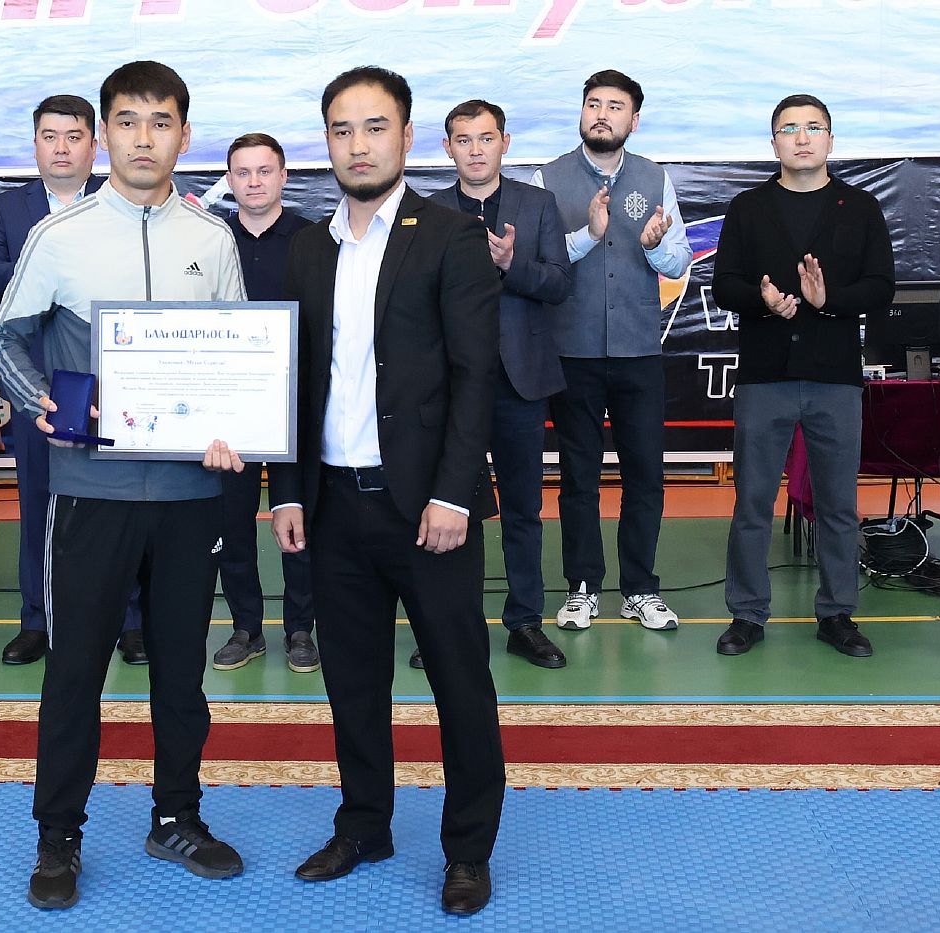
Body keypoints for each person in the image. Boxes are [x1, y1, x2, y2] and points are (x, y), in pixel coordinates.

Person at [0, 61, 248, 911]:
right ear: (104, 134)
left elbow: (238, 357)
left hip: (187, 499)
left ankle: (177, 817)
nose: (144, 137)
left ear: (184, 134)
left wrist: (235, 428)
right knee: (74, 673)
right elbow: (4, 339)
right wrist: (43, 406)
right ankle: (58, 834)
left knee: (181, 673)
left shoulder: (212, 237)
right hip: (88, 493)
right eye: (128, 121)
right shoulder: (60, 235)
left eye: (161, 121)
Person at [271, 66, 504, 916]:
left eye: (375, 127)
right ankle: (365, 824)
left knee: (459, 684)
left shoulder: (450, 237)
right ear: (326, 142)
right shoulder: (308, 247)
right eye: (342, 129)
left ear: (406, 137)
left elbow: (476, 375)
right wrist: (287, 490)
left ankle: (468, 848)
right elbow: (296, 379)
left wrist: (454, 494)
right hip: (333, 506)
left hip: (427, 509)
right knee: (353, 683)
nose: (358, 144)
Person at [713, 94, 894, 657]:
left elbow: (881, 287)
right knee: (752, 502)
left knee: (838, 504)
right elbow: (724, 284)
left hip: (833, 378)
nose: (802, 137)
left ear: (830, 140)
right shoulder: (748, 207)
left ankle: (837, 613)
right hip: (764, 377)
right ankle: (747, 613)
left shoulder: (859, 208)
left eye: (814, 127)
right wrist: (764, 300)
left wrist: (828, 300)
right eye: (789, 128)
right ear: (774, 143)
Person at [0, 95, 146, 666]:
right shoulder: (9, 207)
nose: (62, 148)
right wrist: (49, 265)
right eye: (50, 137)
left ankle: (130, 620)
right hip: (34, 382)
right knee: (40, 503)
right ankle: (37, 620)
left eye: (74, 137)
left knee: (121, 507)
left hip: (111, 382)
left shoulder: (122, 202)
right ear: (35, 146)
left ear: (95, 146)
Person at [532, 69, 692, 633]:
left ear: (634, 120)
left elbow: (680, 261)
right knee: (578, 476)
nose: (602, 114)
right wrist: (590, 236)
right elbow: (540, 263)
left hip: (638, 351)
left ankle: (640, 588)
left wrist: (653, 248)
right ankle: (582, 586)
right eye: (594, 103)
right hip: (572, 351)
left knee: (645, 474)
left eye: (615, 106)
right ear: (581, 112)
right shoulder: (547, 178)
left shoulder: (655, 177)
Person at [421, 99, 571, 670]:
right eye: (463, 140)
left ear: (505, 143)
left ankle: (525, 622)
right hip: (449, 386)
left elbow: (559, 284)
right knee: (445, 504)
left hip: (519, 382)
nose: (476, 150)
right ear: (447, 148)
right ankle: (445, 627)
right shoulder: (429, 212)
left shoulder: (537, 205)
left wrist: (510, 264)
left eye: (486, 138)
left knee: (523, 510)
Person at [210, 132, 318, 674]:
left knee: (299, 520)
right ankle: (246, 627)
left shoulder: (312, 239)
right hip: (231, 407)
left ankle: (301, 629)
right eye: (243, 172)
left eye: (264, 171)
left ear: (283, 176)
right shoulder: (211, 240)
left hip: (295, 404)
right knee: (232, 522)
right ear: (229, 180)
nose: (254, 182)